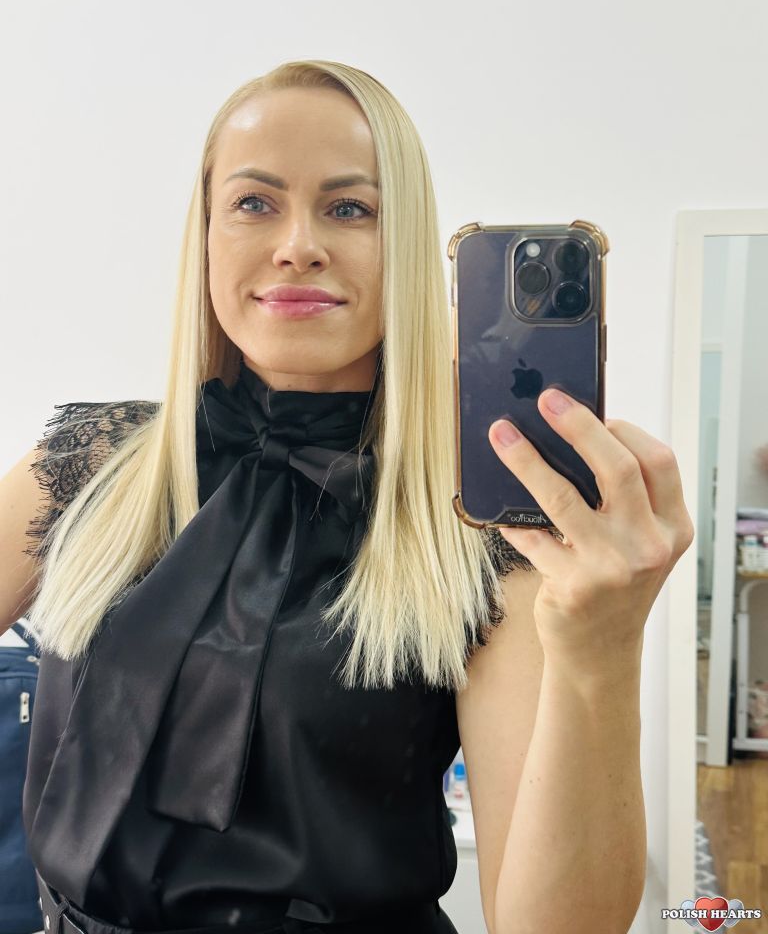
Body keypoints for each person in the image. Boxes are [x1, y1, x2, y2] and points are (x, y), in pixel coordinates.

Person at [0, 59, 694, 934]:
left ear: (405, 247)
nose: (298, 245)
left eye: (350, 208)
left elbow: (555, 927)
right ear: (206, 234)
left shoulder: (482, 526)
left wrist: (604, 649)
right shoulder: (86, 463)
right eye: (255, 202)